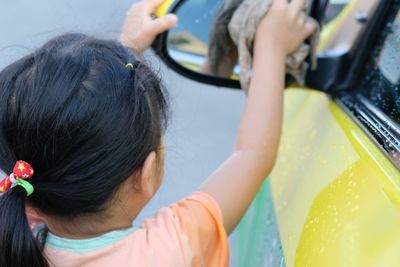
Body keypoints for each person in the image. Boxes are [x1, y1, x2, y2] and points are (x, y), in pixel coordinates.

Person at [0, 0, 316, 266]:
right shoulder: (168, 251)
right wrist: (271, 45)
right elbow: (253, 156)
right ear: (147, 173)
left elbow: (252, 155)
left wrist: (123, 53)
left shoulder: (12, 228)